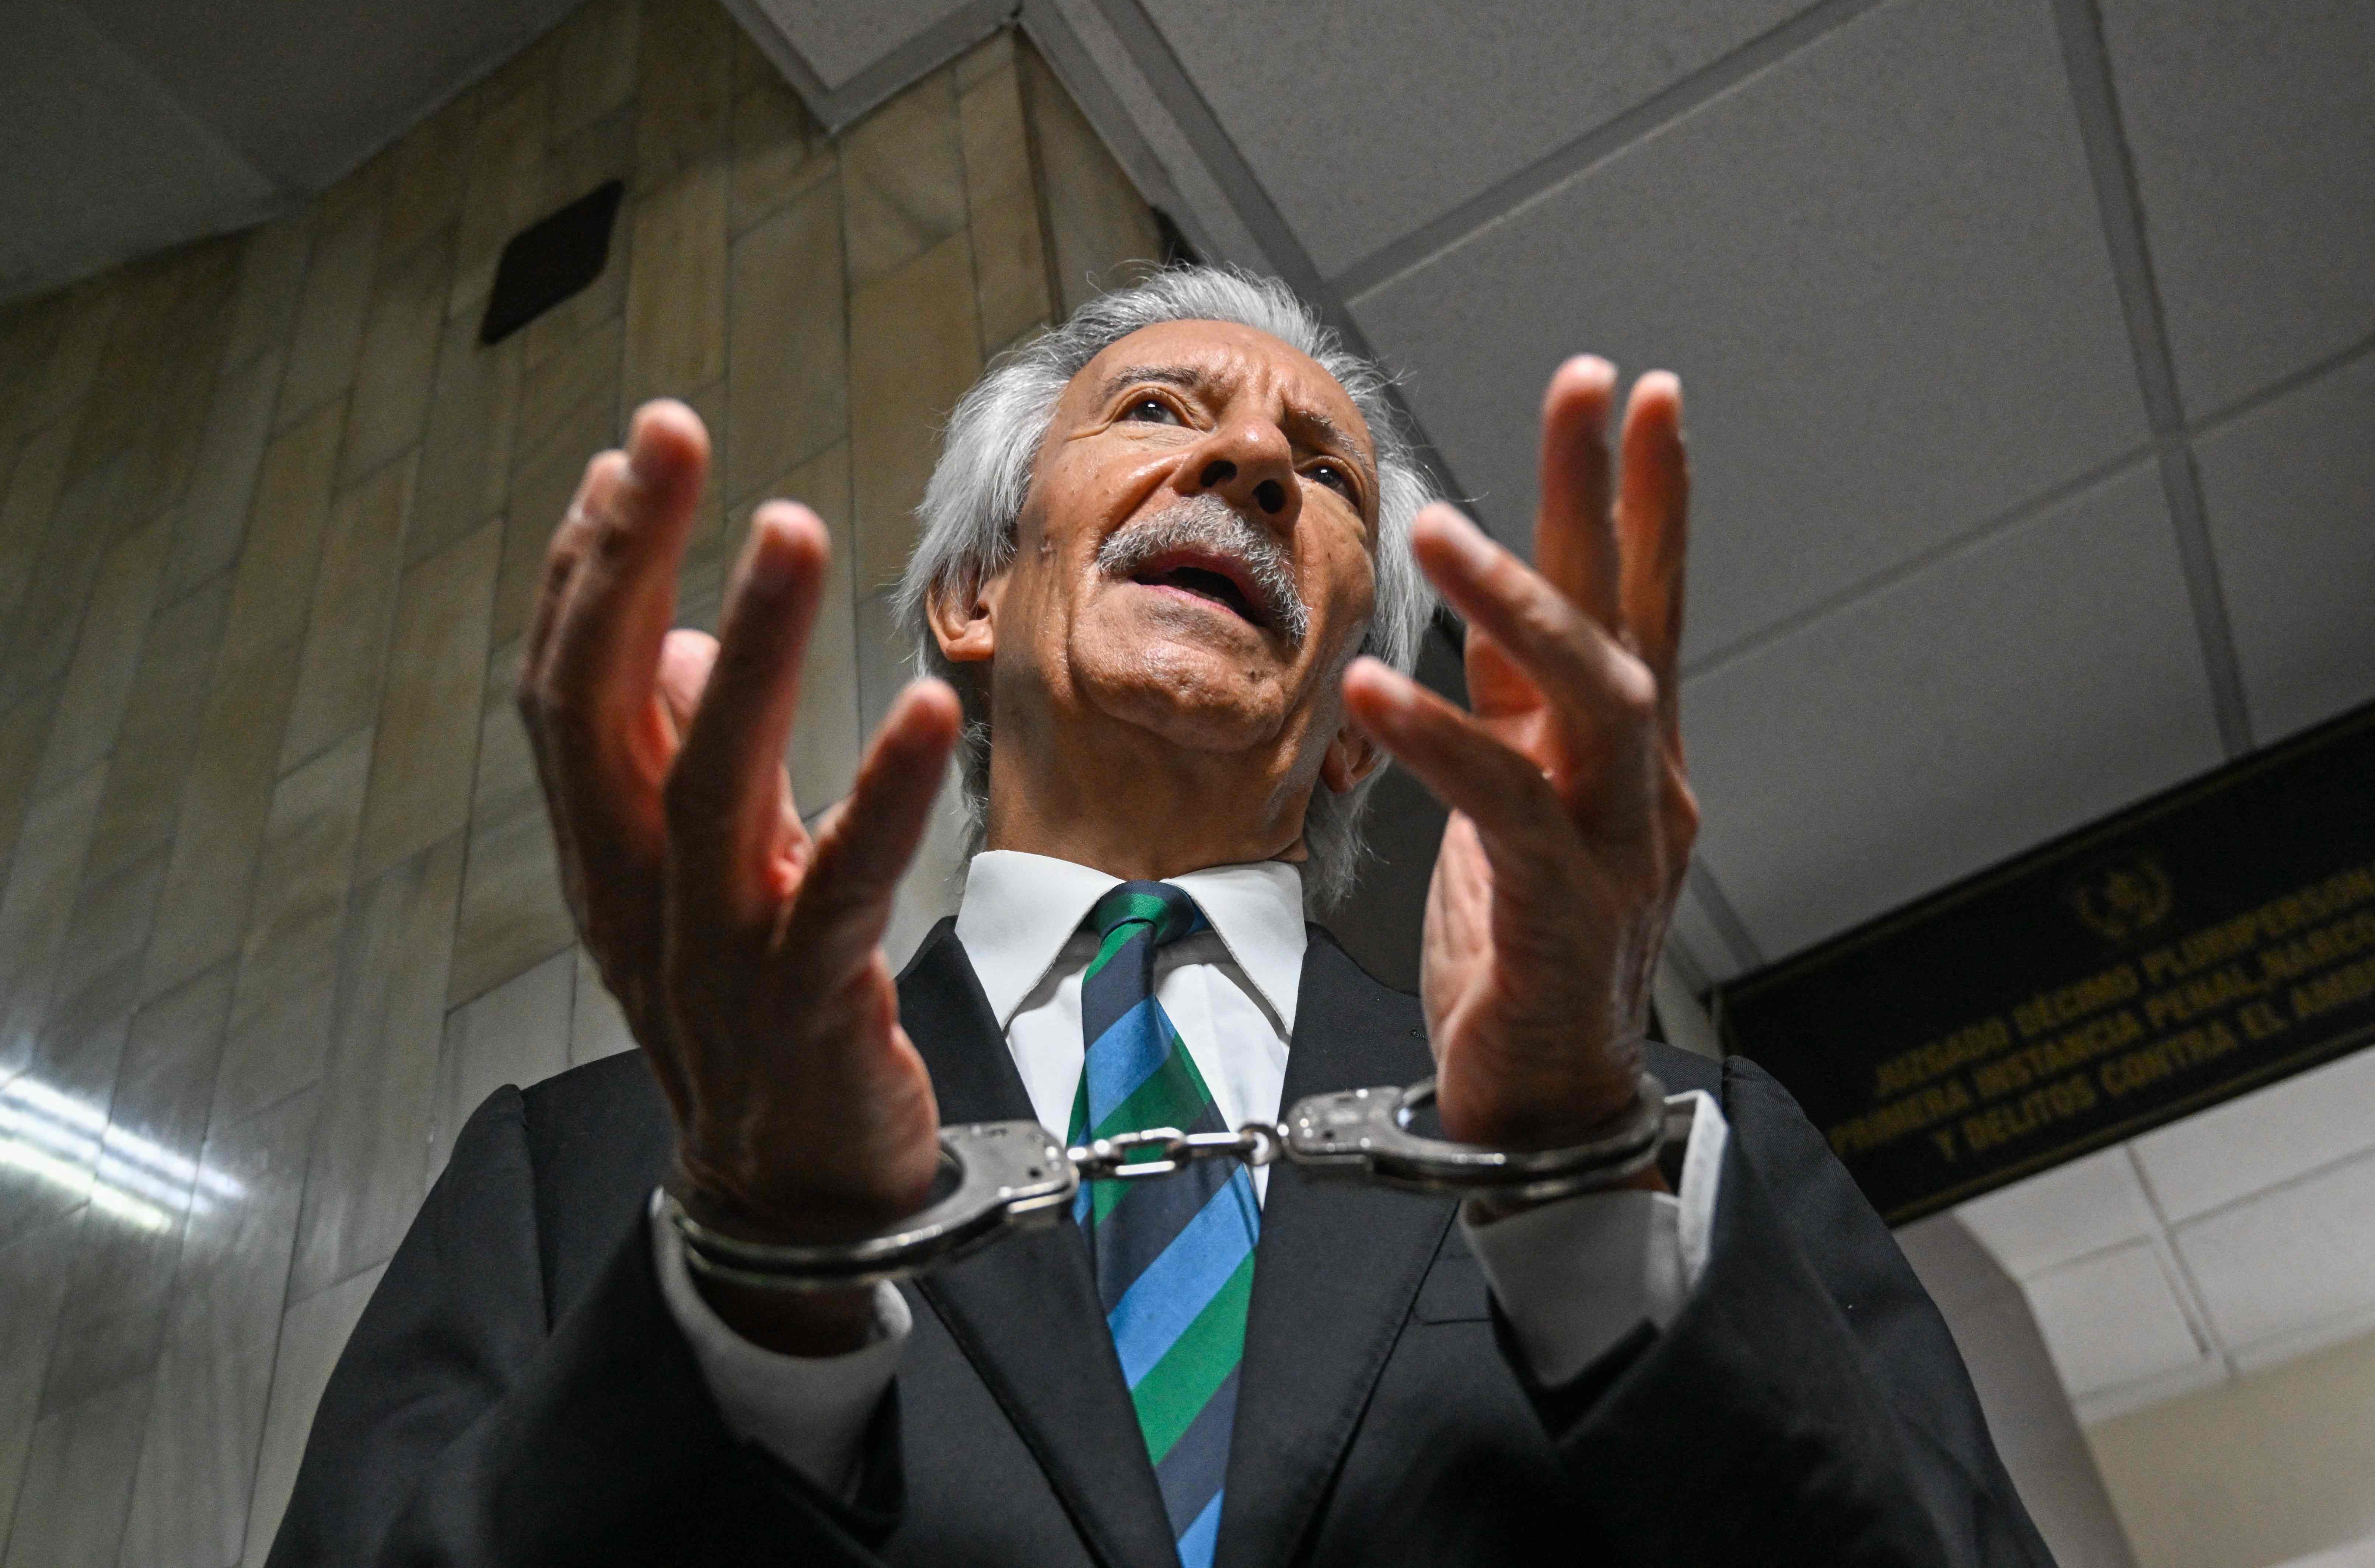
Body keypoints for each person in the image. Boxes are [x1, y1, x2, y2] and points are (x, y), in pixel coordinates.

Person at [267, 266, 2049, 1565]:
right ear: (976, 591)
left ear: (1362, 719)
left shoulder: (1688, 1150)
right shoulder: (579, 1178)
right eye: (1159, 412)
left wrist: (1582, 1192)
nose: (1255, 466)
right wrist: (757, 1279)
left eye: (1324, 473)